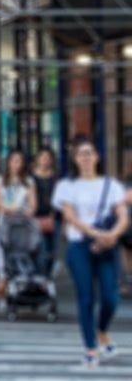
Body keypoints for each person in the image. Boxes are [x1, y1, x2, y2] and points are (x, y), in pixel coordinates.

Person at [52, 136, 128, 367]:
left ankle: (102, 329)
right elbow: (70, 217)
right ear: (75, 159)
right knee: (86, 297)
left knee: (110, 297)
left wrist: (112, 235)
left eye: (89, 153)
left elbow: (123, 215)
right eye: (81, 154)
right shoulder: (67, 186)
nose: (85, 158)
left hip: (107, 245)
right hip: (80, 245)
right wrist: (97, 234)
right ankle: (91, 347)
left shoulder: (111, 185)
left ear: (97, 157)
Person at [31, 147, 60, 277]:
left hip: (53, 218)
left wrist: (53, 215)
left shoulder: (56, 178)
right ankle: (40, 277)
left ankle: (47, 275)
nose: (45, 160)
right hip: (36, 217)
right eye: (42, 157)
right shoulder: (31, 178)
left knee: (52, 250)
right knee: (40, 248)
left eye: (48, 158)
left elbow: (59, 198)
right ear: (37, 160)